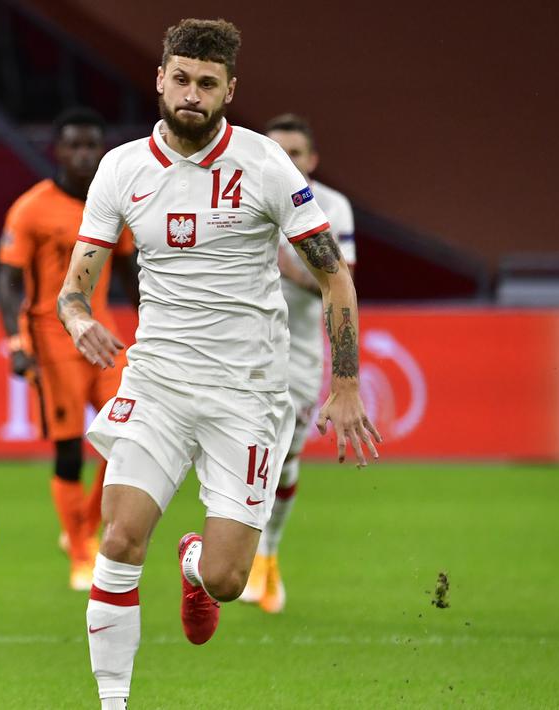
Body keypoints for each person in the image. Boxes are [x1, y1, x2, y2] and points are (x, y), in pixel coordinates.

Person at [55, 19, 381, 709]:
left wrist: (344, 382)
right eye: (180, 79)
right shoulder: (121, 168)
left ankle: (196, 565)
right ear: (159, 80)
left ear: (229, 89)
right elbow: (74, 288)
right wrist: (80, 320)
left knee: (231, 579)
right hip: (158, 384)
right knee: (118, 536)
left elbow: (334, 277)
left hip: (248, 395)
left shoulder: (263, 164)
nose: (191, 94)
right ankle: (112, 702)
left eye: (207, 83)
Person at [0, 107, 139, 591]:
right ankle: (81, 553)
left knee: (126, 436)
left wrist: (159, 326)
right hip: (51, 337)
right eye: (73, 145)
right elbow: (8, 278)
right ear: (57, 150)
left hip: (103, 336)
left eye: (90, 145)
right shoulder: (32, 207)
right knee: (69, 449)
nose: (82, 154)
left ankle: (83, 531)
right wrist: (16, 343)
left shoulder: (110, 204)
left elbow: (128, 270)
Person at [238, 113, 358, 614]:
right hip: (242, 347)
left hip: (301, 353)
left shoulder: (332, 207)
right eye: (276, 149)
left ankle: (268, 554)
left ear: (311, 159)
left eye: (295, 152)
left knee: (284, 459)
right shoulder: (241, 197)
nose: (285, 159)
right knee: (244, 456)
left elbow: (339, 281)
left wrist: (290, 261)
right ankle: (244, 559)